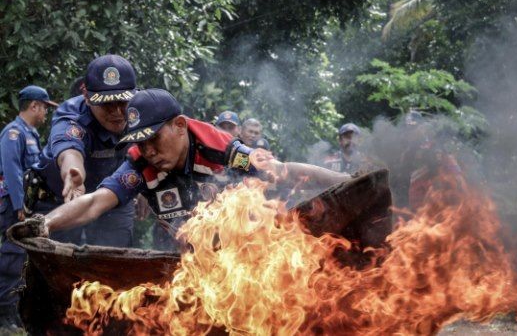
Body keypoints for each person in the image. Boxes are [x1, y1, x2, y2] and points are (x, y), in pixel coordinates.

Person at [32, 89, 350, 250]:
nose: (149, 151)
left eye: (154, 139)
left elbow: (285, 170)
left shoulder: (222, 149)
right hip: (187, 257)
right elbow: (95, 201)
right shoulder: (140, 164)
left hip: (244, 253)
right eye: (140, 144)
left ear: (180, 126)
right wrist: (45, 224)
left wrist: (349, 181)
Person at [29, 54, 137, 247]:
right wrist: (74, 173)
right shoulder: (71, 116)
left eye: (123, 102)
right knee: (56, 266)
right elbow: (69, 151)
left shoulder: (142, 110)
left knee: (115, 263)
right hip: (61, 201)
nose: (117, 112)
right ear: (86, 96)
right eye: (106, 104)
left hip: (111, 200)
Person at [0, 85, 57, 330]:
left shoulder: (30, 133)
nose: (46, 112)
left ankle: (14, 309)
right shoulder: (13, 133)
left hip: (27, 203)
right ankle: (4, 312)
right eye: (44, 107)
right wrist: (19, 205)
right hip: (14, 205)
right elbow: (12, 171)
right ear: (33, 106)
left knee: (22, 257)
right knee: (12, 256)